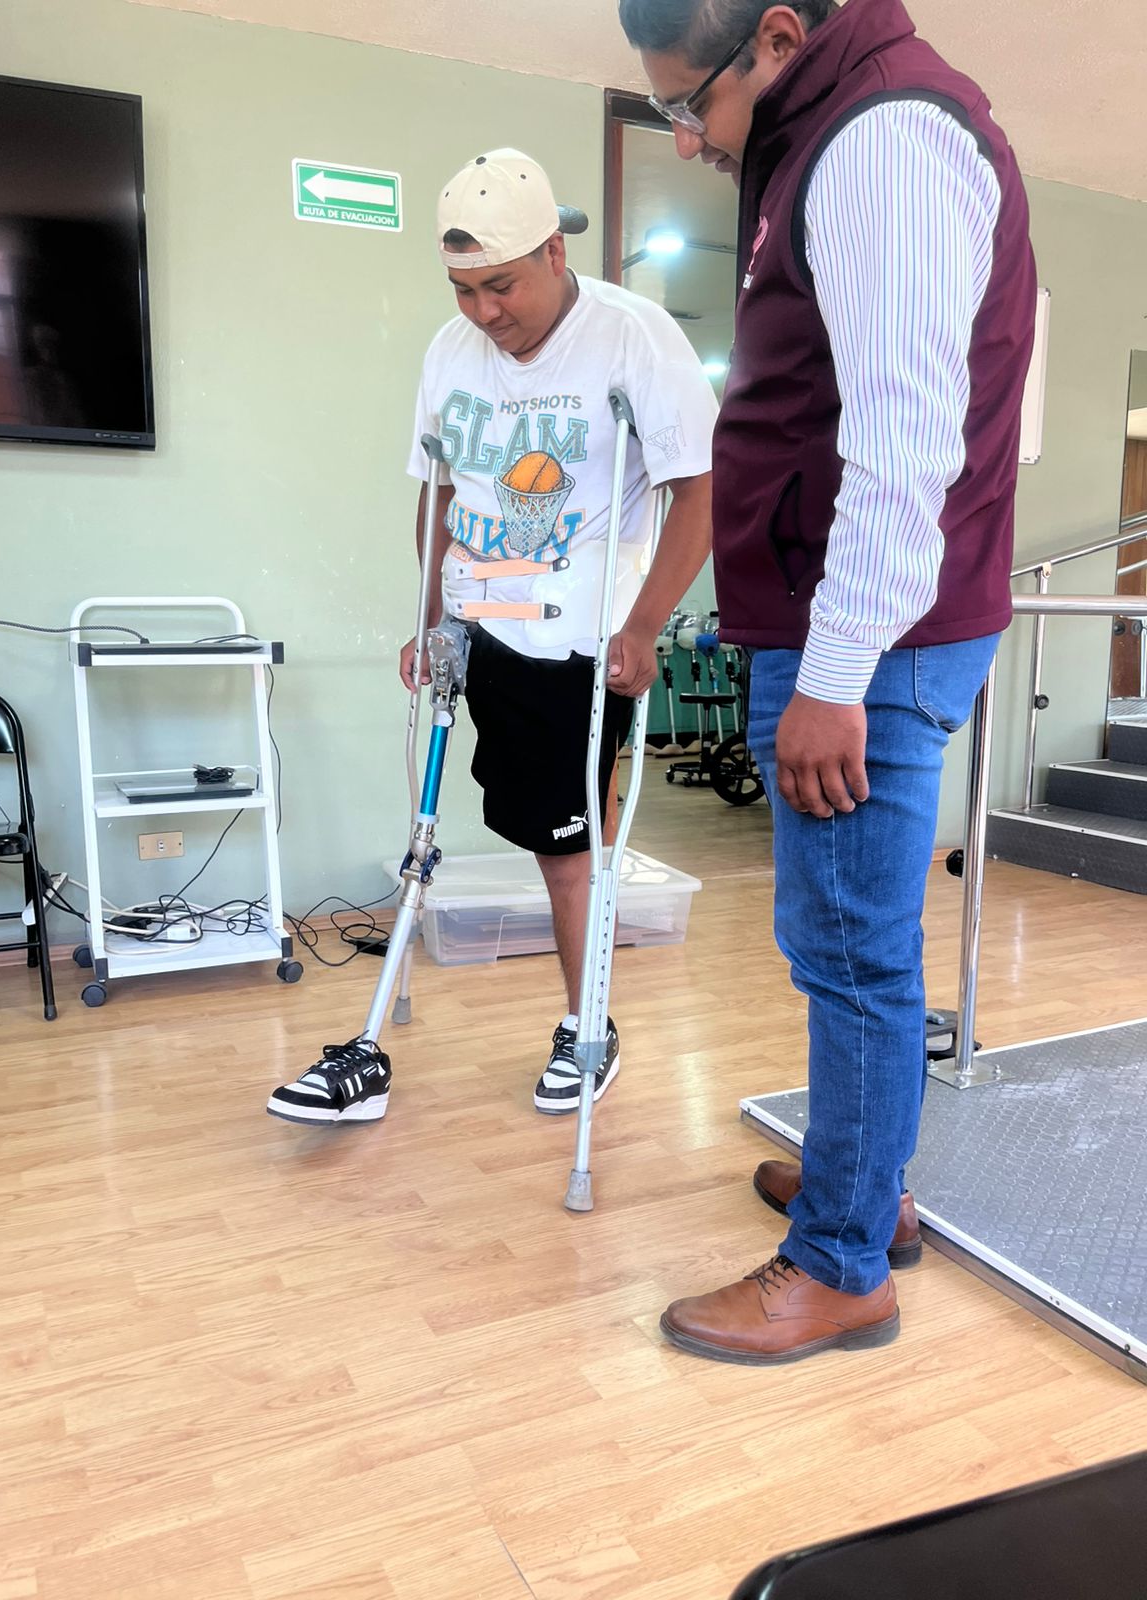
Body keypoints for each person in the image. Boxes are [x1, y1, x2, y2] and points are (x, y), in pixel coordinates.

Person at [619, 0, 1037, 1363]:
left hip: (867, 638)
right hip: (844, 620)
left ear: (780, 36)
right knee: (844, 942)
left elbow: (905, 441)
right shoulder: (831, 126)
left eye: (692, 103)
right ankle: (870, 1179)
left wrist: (836, 671)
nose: (687, 137)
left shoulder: (881, 142)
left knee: (852, 951)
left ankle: (845, 1261)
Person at [267, 148, 716, 1127]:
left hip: (580, 643)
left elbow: (697, 494)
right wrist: (431, 616)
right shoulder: (450, 352)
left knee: (567, 847)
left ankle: (587, 1027)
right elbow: (439, 491)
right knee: (440, 827)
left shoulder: (632, 338)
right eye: (463, 290)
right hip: (476, 629)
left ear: (555, 253)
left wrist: (644, 625)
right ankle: (371, 1041)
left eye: (501, 286)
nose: (482, 311)